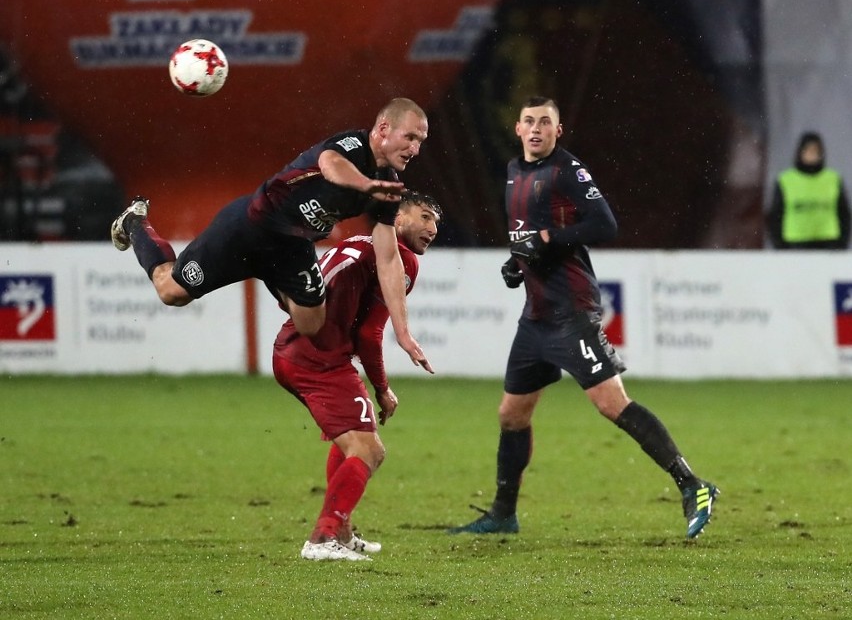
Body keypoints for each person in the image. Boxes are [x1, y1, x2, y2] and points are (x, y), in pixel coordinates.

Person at [448, 97, 719, 540]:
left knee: (611, 403)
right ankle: (503, 513)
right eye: (530, 122)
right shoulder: (516, 171)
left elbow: (604, 224)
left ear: (559, 130)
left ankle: (694, 485)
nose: (537, 129)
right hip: (535, 316)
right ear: (517, 128)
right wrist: (519, 263)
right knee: (512, 414)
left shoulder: (567, 170)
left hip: (571, 311)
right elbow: (529, 235)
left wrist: (549, 238)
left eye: (546, 123)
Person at [109, 97, 433, 372]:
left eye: (420, 141)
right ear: (383, 129)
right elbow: (330, 163)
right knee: (171, 292)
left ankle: (277, 283)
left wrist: (402, 333)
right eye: (410, 137)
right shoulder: (351, 146)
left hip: (292, 248)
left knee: (311, 325)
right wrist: (364, 185)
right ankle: (135, 223)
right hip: (249, 230)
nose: (415, 149)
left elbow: (389, 258)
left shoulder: (387, 188)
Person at [273, 191, 440, 561]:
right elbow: (369, 333)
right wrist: (382, 389)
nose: (432, 228)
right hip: (319, 360)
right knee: (370, 450)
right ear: (397, 218)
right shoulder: (399, 258)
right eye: (425, 217)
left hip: (292, 349)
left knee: (351, 442)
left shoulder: (355, 242)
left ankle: (342, 531)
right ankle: (323, 538)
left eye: (437, 224)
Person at [766, 131, 851, 250]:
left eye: (815, 151)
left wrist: (842, 243)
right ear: (800, 153)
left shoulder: (833, 179)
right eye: (808, 151)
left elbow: (843, 213)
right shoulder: (786, 180)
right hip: (795, 243)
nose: (812, 155)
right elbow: (775, 215)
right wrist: (779, 245)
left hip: (829, 242)